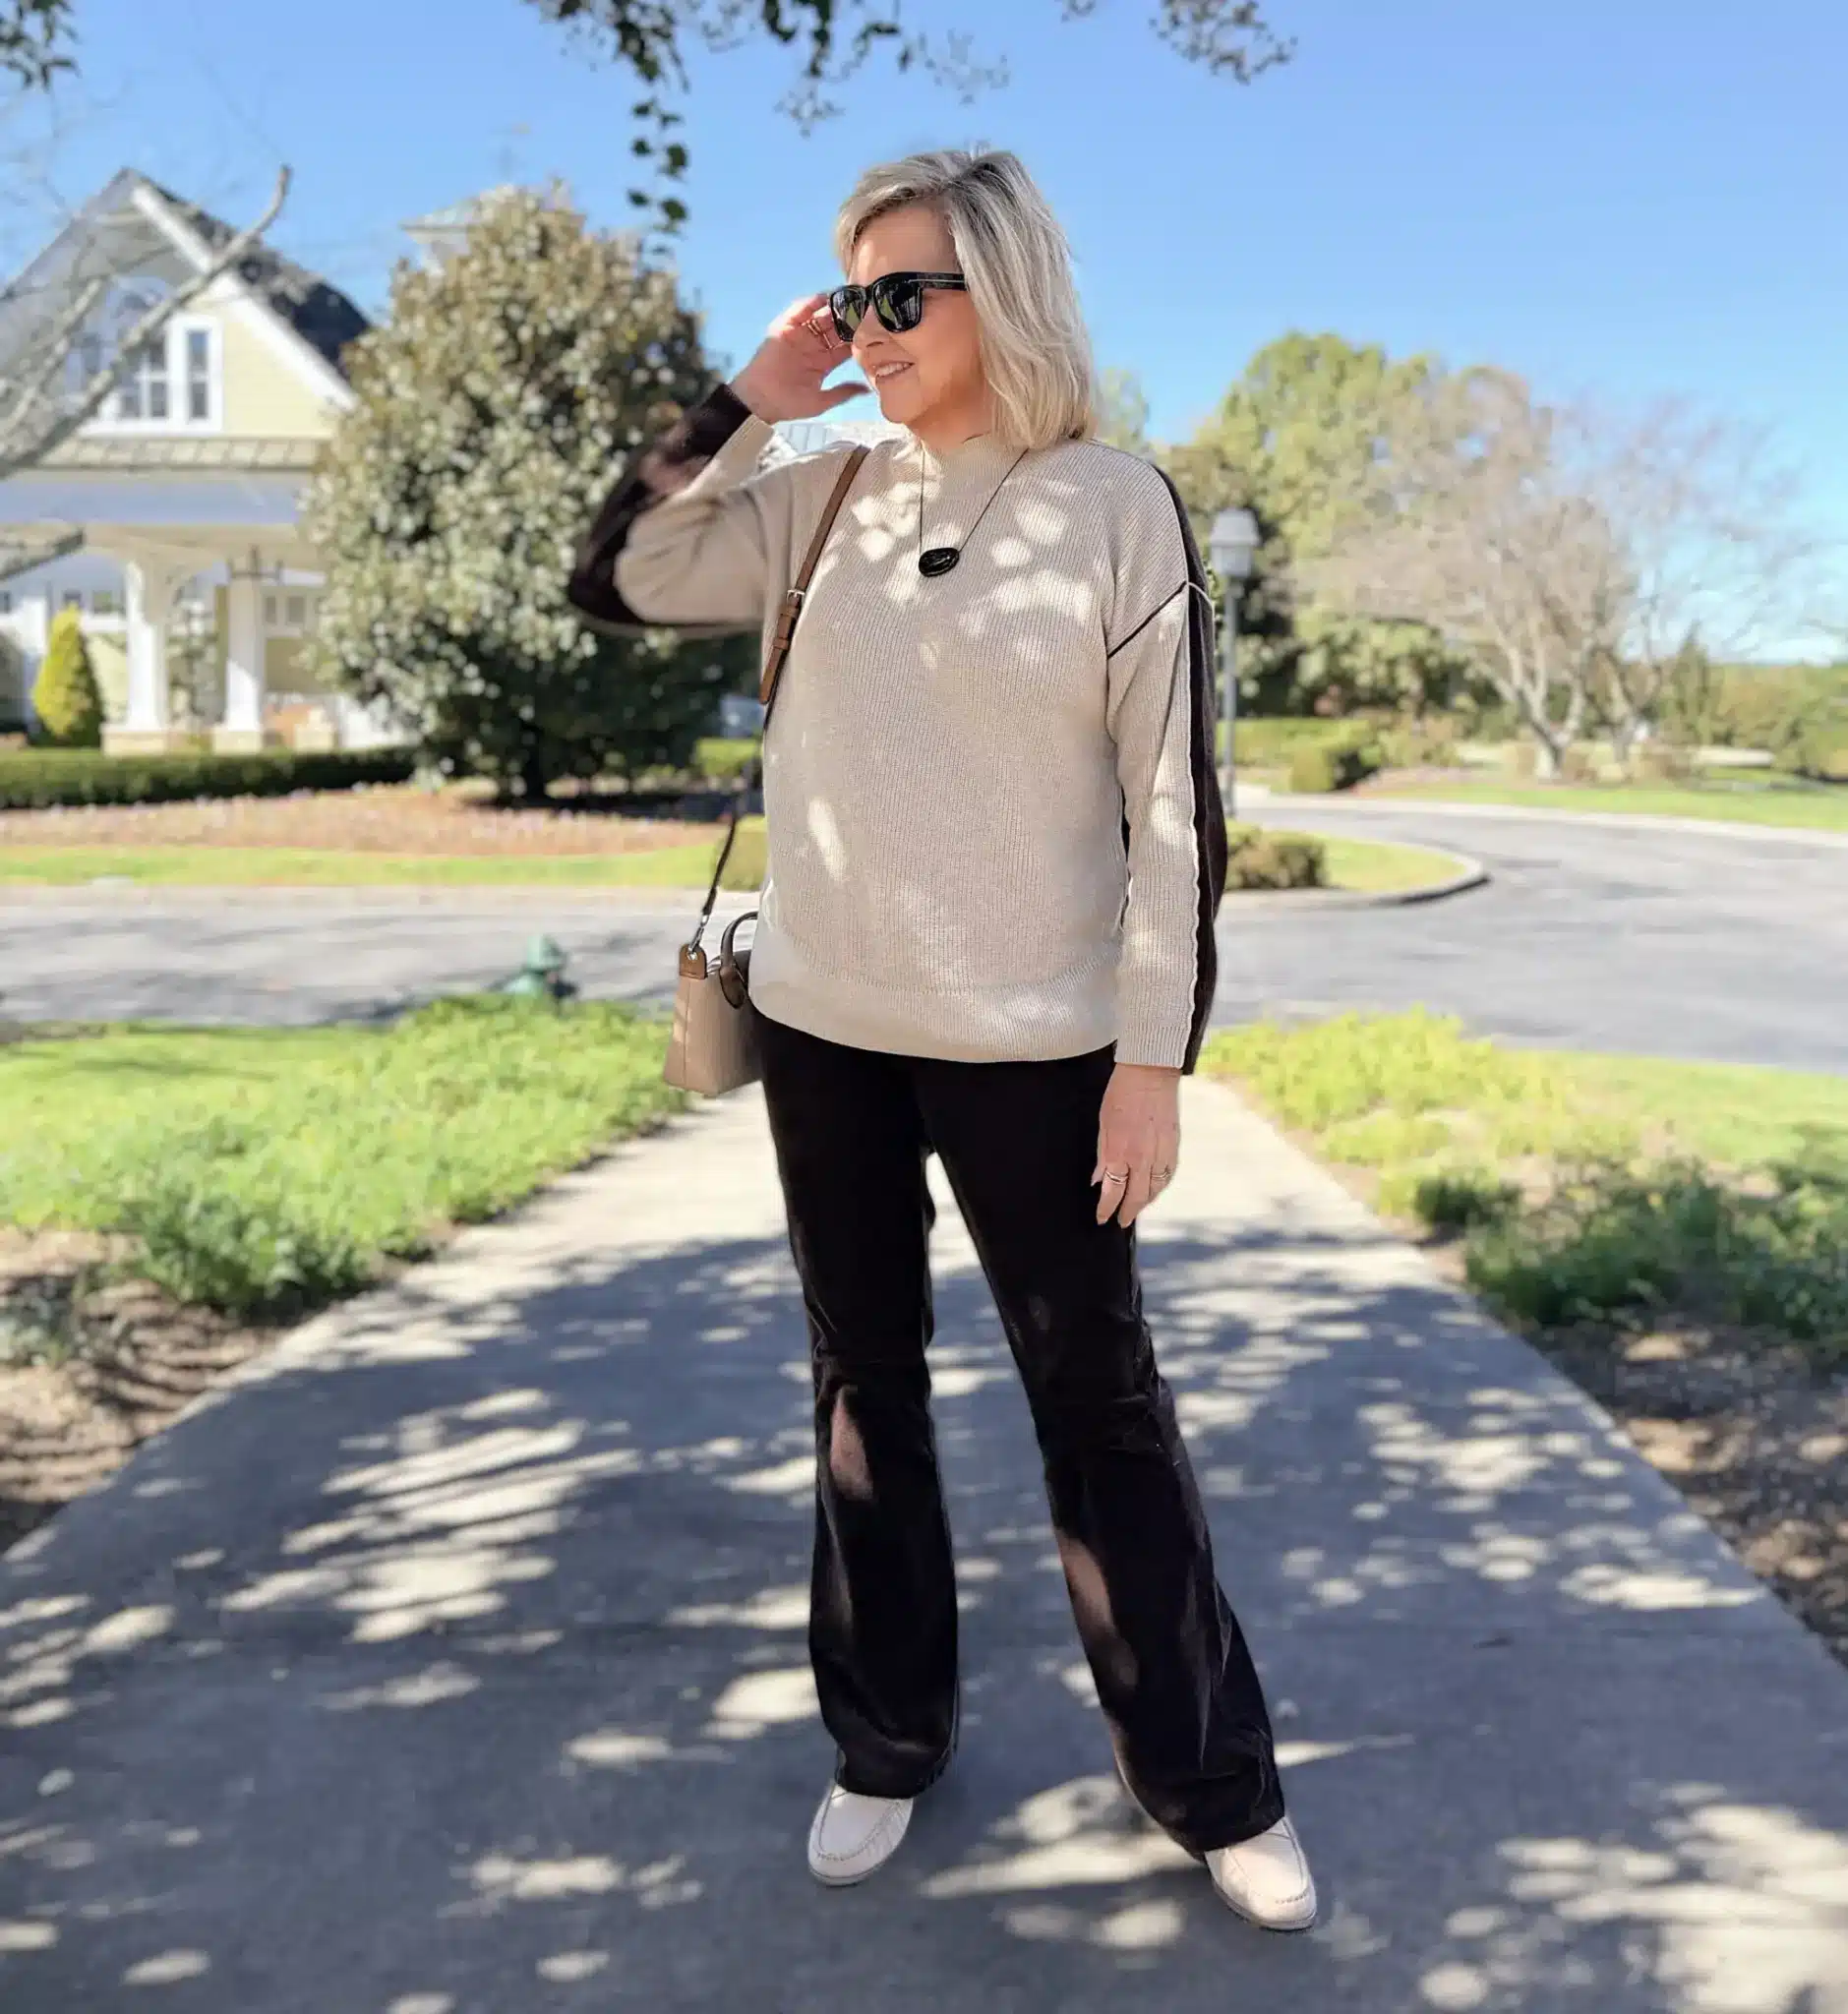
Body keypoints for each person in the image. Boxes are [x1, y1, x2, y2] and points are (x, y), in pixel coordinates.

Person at [567, 147, 1316, 1931]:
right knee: (860, 1386)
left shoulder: (1114, 505)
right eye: (850, 298)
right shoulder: (814, 488)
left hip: (1040, 1048)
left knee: (1098, 1407)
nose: (870, 328)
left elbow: (1171, 814)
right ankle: (886, 1737)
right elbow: (615, 576)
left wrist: (1151, 1062)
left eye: (901, 293)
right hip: (825, 1023)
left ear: (1005, 291)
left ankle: (1210, 1784)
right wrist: (742, 403)